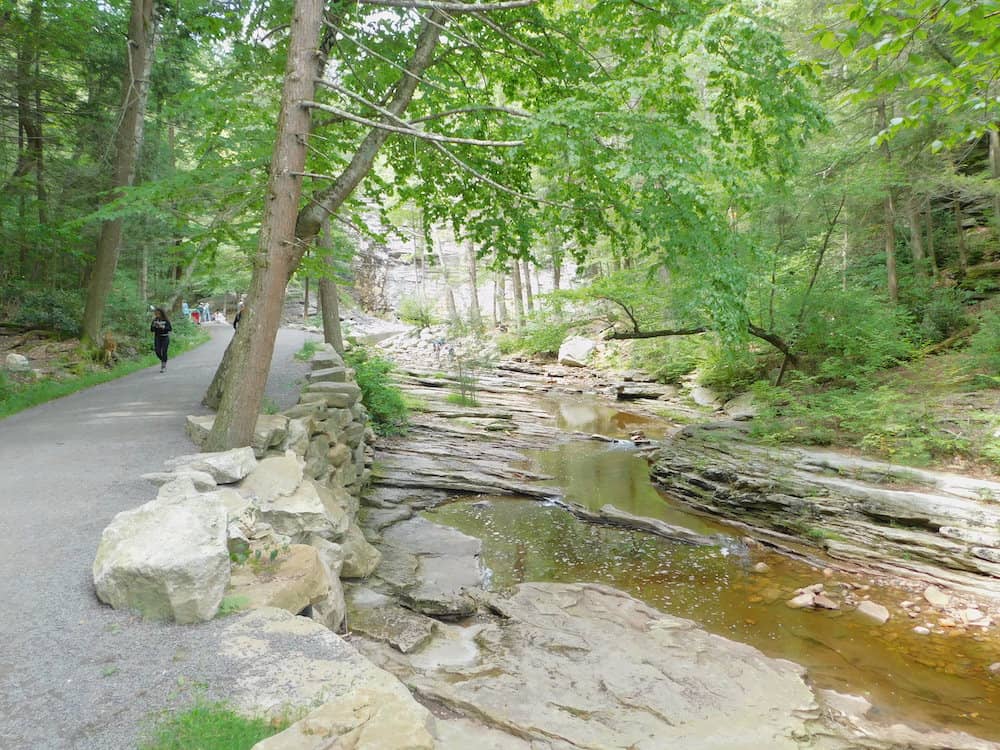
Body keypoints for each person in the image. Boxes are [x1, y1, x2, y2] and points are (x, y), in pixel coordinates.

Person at [150, 308, 172, 373]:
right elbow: (151, 330)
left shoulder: (166, 320)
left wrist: (163, 327)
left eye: (158, 313)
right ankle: (163, 360)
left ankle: (163, 366)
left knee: (164, 351)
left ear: (161, 313)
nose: (157, 315)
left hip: (165, 337)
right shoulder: (155, 320)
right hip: (157, 337)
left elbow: (170, 329)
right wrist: (154, 326)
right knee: (157, 351)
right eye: (156, 314)